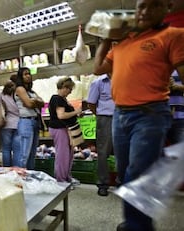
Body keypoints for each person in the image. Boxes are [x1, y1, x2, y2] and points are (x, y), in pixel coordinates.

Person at [93, 0, 184, 230]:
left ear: (168, 7)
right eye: (141, 6)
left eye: (154, 5)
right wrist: (106, 38)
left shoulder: (173, 35)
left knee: (137, 174)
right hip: (120, 114)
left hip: (149, 114)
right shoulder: (124, 41)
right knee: (126, 174)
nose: (145, 11)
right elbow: (97, 68)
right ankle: (136, 222)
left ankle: (137, 226)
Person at [48, 77, 82, 184]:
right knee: (63, 155)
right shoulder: (57, 99)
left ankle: (67, 177)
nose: (70, 91)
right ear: (64, 87)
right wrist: (76, 112)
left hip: (65, 129)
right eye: (69, 88)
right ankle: (61, 180)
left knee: (68, 155)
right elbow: (61, 115)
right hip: (59, 129)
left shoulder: (63, 100)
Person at [86, 74, 115, 196]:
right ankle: (102, 184)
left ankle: (124, 182)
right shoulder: (98, 82)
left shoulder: (122, 77)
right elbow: (91, 104)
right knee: (103, 152)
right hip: (105, 118)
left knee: (125, 150)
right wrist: (100, 115)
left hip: (123, 117)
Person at [13, 67, 45, 169]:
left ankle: (29, 176)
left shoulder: (32, 92)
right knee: (24, 153)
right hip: (25, 122)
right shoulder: (19, 89)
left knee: (32, 153)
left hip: (35, 121)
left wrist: (34, 100)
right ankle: (21, 177)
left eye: (29, 74)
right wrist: (35, 101)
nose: (28, 76)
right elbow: (29, 104)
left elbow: (43, 103)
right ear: (20, 77)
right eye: (25, 74)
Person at [0, 75, 19, 167]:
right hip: (18, 124)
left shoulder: (2, 94)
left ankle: (7, 171)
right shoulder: (19, 93)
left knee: (6, 149)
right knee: (17, 150)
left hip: (5, 124)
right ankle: (16, 171)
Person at [167, 71, 184, 144]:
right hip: (159, 118)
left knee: (180, 150)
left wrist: (177, 87)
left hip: (180, 118)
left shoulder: (181, 69)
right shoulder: (158, 69)